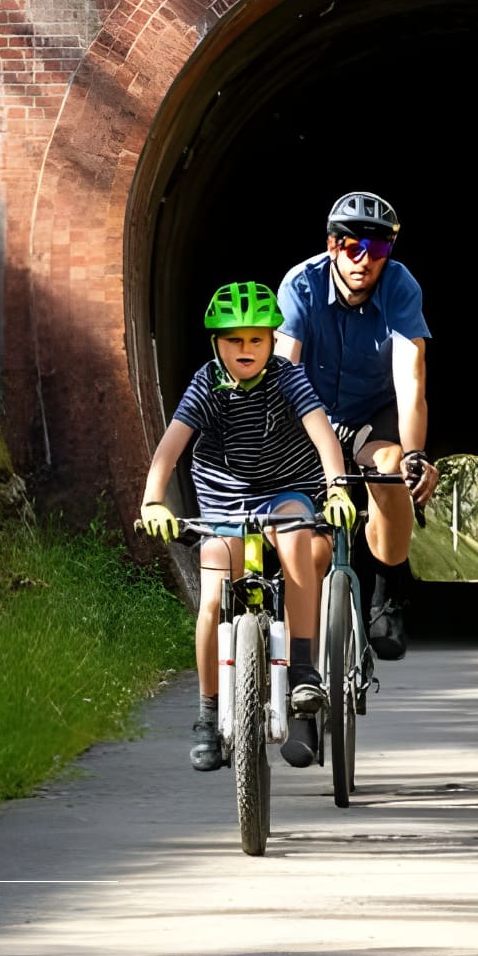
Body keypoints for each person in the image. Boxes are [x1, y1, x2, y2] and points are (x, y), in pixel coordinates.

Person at [139, 281, 360, 773]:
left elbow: (323, 436)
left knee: (296, 536)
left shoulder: (288, 378)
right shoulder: (206, 384)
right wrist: (154, 499)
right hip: (225, 501)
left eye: (257, 339)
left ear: (271, 341)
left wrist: (338, 487)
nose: (246, 350)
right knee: (215, 592)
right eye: (234, 339)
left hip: (286, 489)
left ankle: (303, 670)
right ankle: (208, 712)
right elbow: (169, 449)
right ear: (215, 344)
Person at [275, 191, 438, 660]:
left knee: (392, 470)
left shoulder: (401, 287)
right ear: (332, 246)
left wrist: (415, 453)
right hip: (312, 416)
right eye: (352, 248)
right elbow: (285, 372)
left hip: (372, 415)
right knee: (314, 550)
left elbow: (411, 376)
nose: (365, 260)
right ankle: (300, 659)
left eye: (379, 249)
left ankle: (386, 596)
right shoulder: (300, 285)